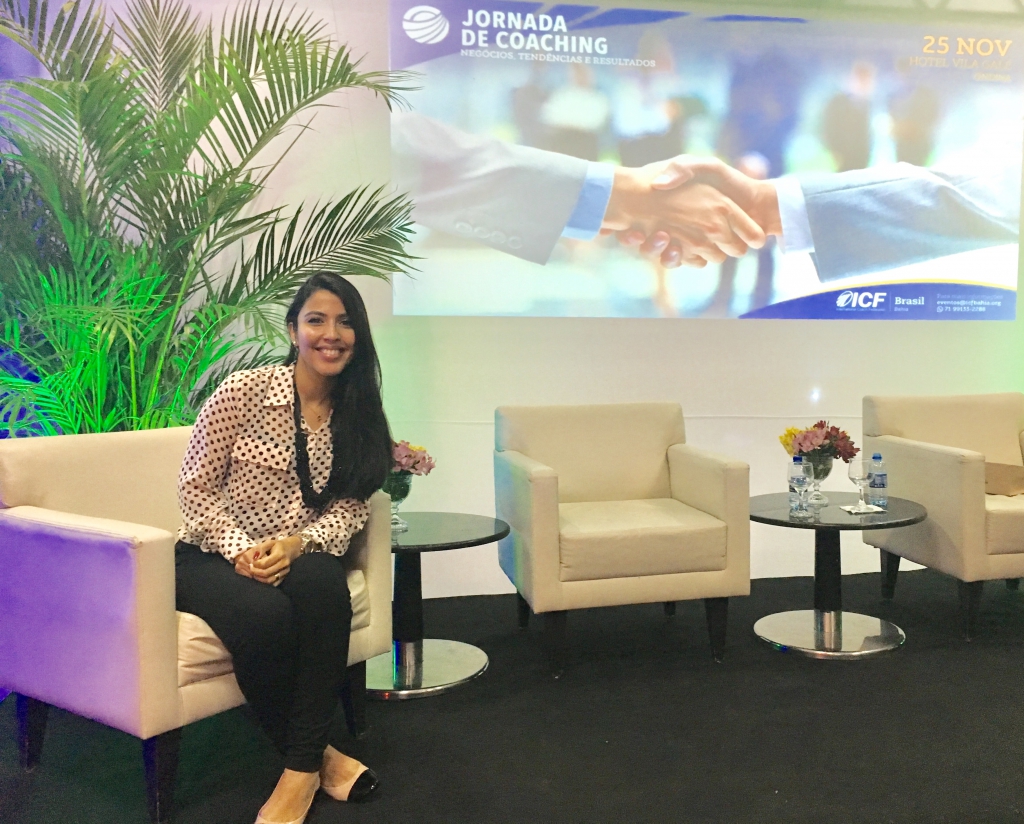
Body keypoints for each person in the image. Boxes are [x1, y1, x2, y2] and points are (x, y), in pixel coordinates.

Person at [174, 272, 392, 824]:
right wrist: (240, 550)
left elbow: (352, 506)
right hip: (208, 554)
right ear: (294, 330)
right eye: (317, 320)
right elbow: (195, 489)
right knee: (265, 616)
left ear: (359, 336)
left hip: (296, 554)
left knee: (325, 588)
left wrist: (299, 545)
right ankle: (318, 759)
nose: (331, 333)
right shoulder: (243, 393)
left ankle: (297, 776)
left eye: (345, 322)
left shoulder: (360, 413)